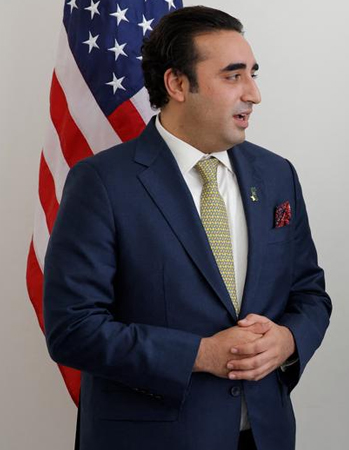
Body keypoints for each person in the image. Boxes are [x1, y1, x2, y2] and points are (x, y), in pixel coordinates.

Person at [44, 6, 331, 450]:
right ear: (177, 84)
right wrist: (201, 354)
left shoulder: (277, 176)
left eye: (253, 74)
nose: (254, 94)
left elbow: (310, 293)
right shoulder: (101, 183)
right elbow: (73, 329)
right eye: (233, 76)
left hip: (265, 434)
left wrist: (288, 339)